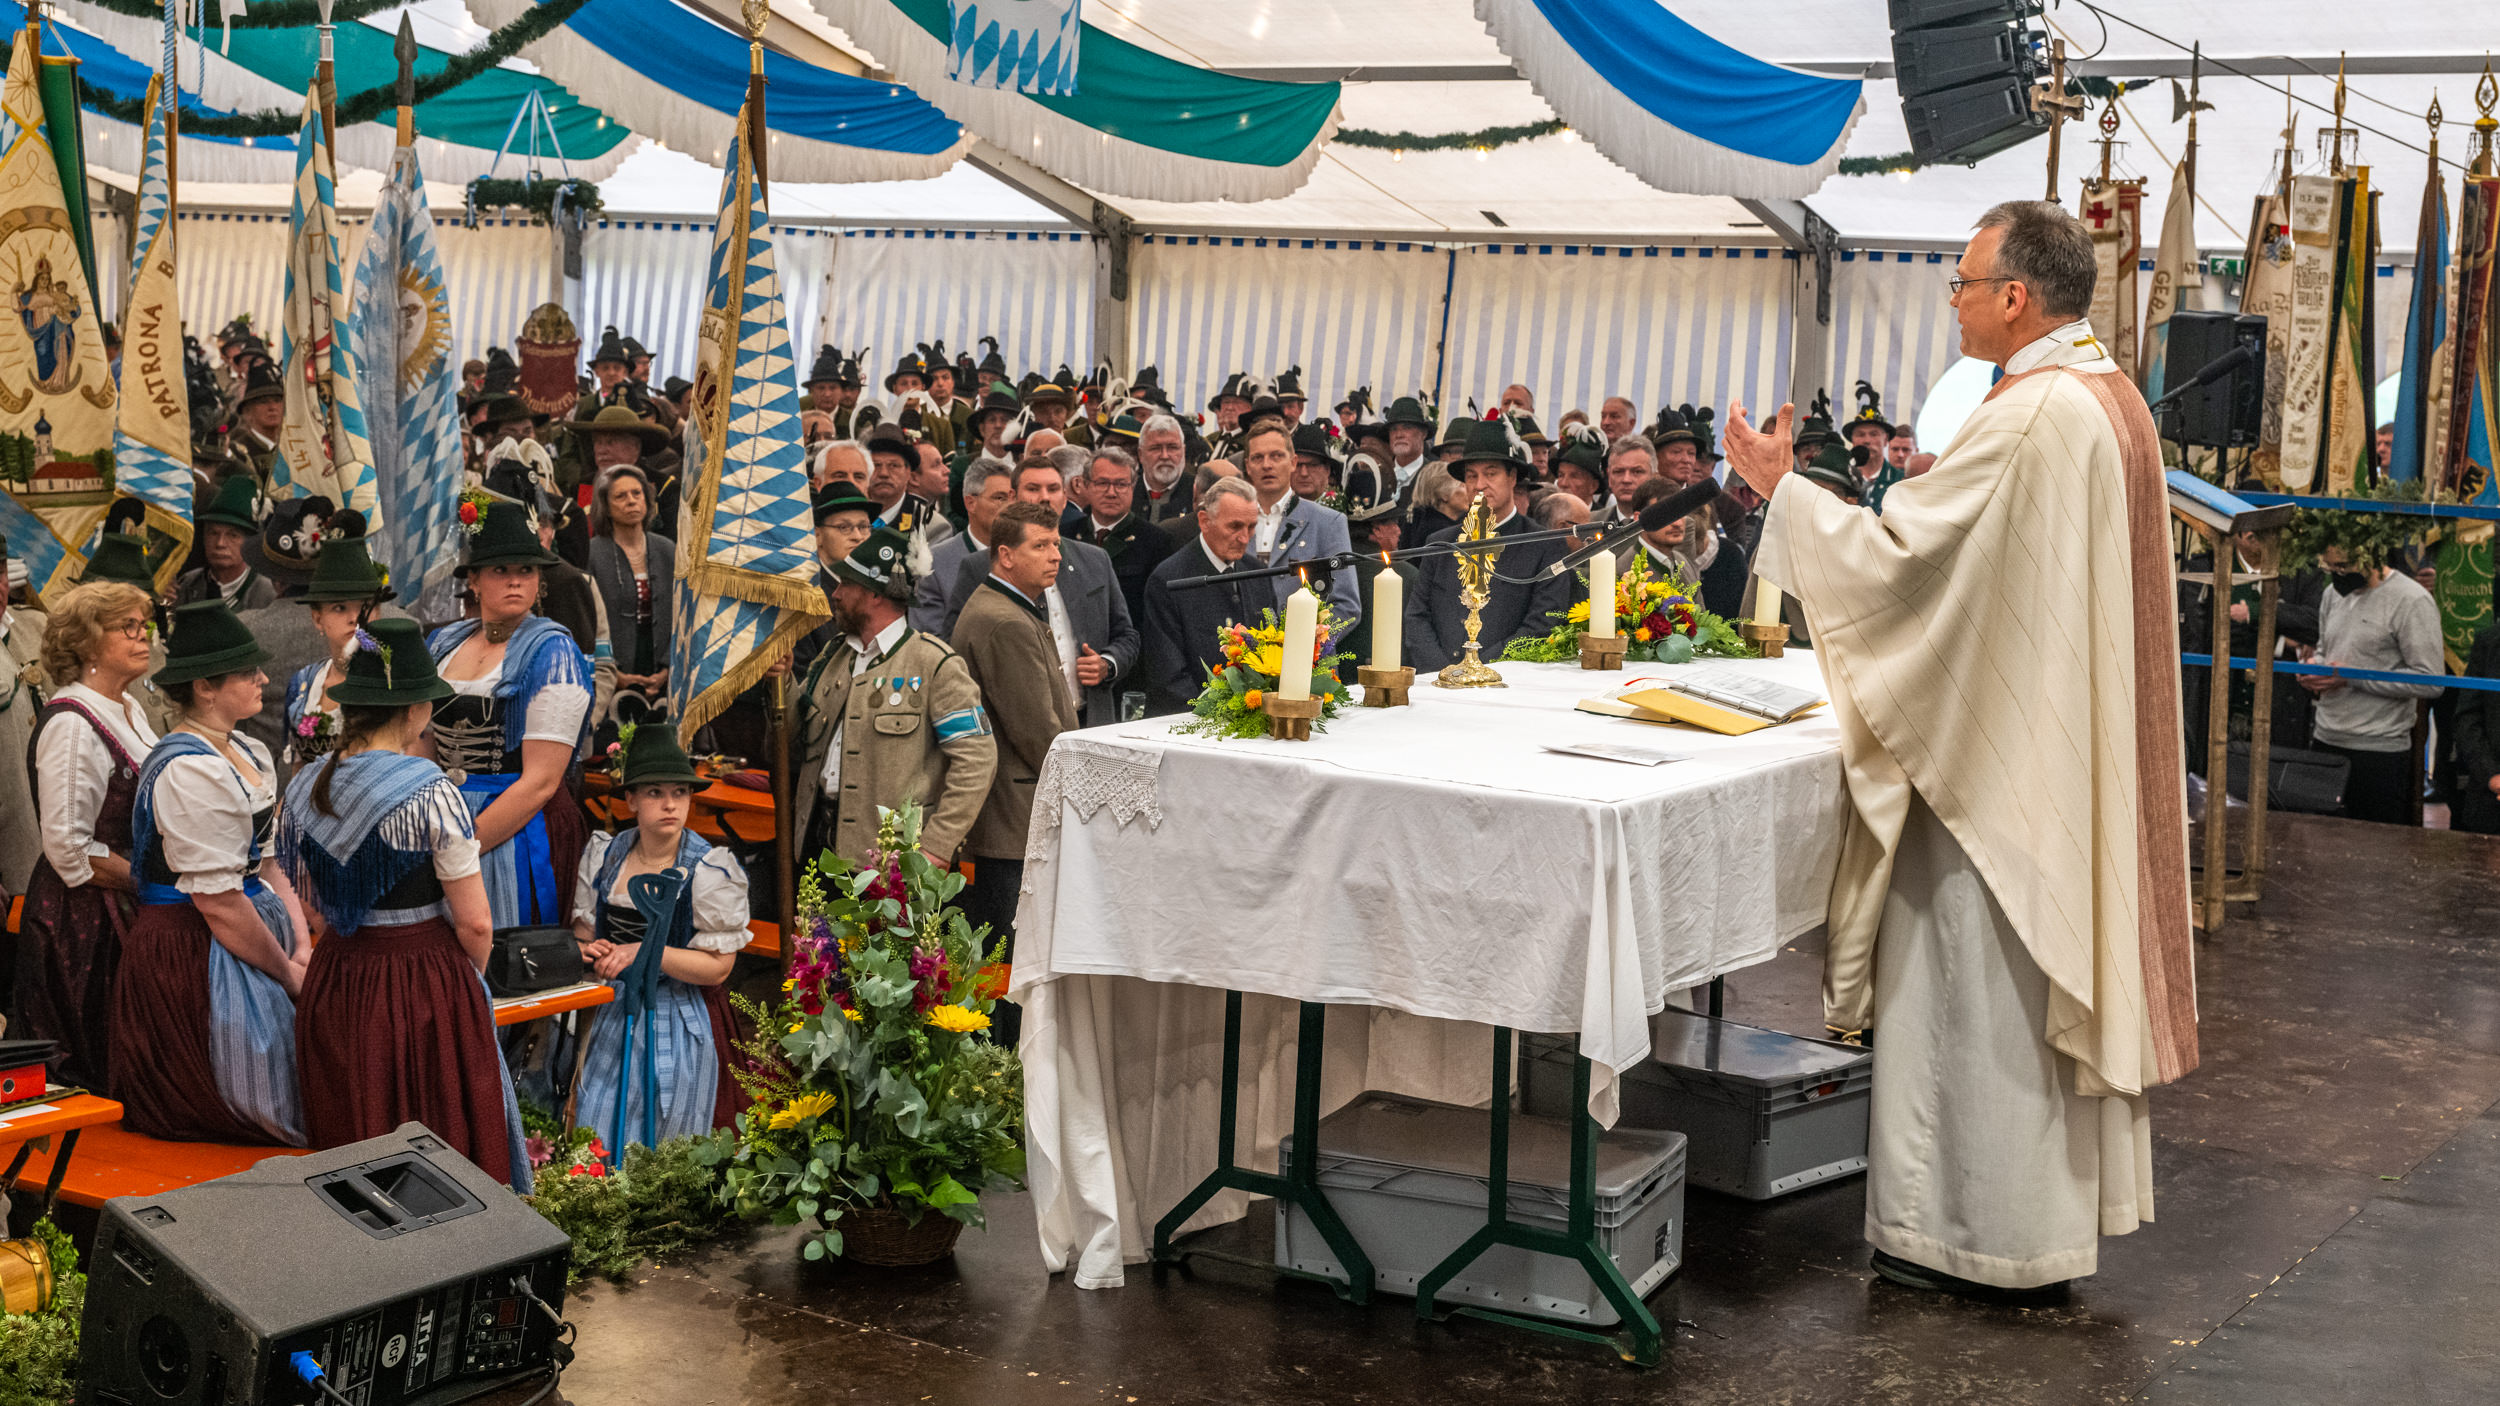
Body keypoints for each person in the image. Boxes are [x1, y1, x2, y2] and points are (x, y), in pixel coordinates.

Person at [1728, 199, 2195, 1296]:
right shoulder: (2107, 395)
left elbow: (1903, 564)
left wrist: (1781, 492)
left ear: (2015, 297)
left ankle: (1972, 1239)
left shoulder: (2032, 412)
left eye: (1963, 284)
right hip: (2050, 733)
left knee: (1971, 996)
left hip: (1998, 770)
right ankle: (2023, 1229)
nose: (1954, 303)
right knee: (1999, 1003)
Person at [280, 618, 524, 1185]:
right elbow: (476, 924)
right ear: (415, 710)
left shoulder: (305, 783)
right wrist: (461, 987)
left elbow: (314, 904)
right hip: (421, 981)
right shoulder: (430, 790)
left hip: (337, 975)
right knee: (432, 1139)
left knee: (351, 1129)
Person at [115, 601, 308, 1144]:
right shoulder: (189, 770)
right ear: (204, 687)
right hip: (194, 949)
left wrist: (301, 945)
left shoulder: (247, 749)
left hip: (252, 931)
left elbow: (269, 862)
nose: (263, 679)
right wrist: (286, 973)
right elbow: (218, 902)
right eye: (247, 672)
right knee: (252, 1101)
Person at [570, 722, 754, 1151]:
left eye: (680, 792)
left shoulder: (708, 868)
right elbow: (583, 935)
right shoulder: (606, 854)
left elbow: (718, 969)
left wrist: (646, 952)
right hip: (610, 1010)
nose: (670, 804)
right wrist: (591, 951)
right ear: (632, 799)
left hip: (678, 1011)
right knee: (596, 1125)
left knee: (668, 1133)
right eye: (655, 792)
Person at [428, 501, 594, 929]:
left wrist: (461, 848)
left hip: (516, 827)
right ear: (474, 580)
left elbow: (540, 782)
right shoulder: (444, 644)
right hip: (441, 817)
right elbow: (420, 743)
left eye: (527, 569)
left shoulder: (553, 652)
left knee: (503, 947)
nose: (516, 579)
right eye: (501, 570)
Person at [951, 503, 1080, 1043]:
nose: (1055, 555)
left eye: (1056, 544)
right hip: (1013, 815)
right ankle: (1007, 1060)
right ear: (1005, 555)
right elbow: (1037, 731)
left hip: (1015, 810)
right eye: (1040, 546)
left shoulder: (1011, 608)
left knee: (1008, 952)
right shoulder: (1002, 620)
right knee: (1009, 957)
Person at [23, 581, 160, 1091]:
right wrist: (149, 883)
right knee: (93, 1064)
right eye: (127, 626)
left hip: (126, 901)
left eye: (144, 624)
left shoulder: (127, 707)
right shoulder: (73, 724)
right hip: (84, 924)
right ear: (86, 643)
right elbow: (69, 848)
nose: (142, 635)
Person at [793, 527, 996, 869]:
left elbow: (977, 760)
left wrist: (937, 846)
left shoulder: (935, 665)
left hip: (893, 865)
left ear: (874, 595)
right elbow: (790, 737)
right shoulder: (831, 657)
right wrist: (781, 679)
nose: (836, 594)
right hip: (818, 850)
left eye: (846, 585)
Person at [940, 460, 1141, 725]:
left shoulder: (1095, 560)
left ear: (1065, 497)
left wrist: (1108, 663)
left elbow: (1127, 635)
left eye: (1053, 488)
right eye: (1033, 488)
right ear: (1013, 497)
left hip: (1091, 720)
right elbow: (955, 650)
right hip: (1017, 728)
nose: (1045, 497)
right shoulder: (980, 566)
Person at [1405, 420, 1574, 672]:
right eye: (1471, 475)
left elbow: (1541, 625)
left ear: (1512, 477)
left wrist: (1478, 671)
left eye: (1491, 473)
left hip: (1507, 681)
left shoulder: (1544, 545)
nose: (1479, 484)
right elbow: (1417, 617)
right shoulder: (1439, 544)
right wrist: (1443, 671)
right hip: (1437, 681)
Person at [2303, 541, 2445, 824]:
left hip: (2379, 750)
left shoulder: (2411, 600)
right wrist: (2313, 669)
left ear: (2369, 554)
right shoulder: (2333, 594)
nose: (2338, 575)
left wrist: (2354, 677)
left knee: (2374, 843)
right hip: (2326, 739)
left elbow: (2430, 681)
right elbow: (2325, 649)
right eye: (2330, 567)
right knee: (2320, 841)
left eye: (2343, 566)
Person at [1141, 478, 1267, 716]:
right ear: (1204, 521)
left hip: (1252, 714)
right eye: (1235, 526)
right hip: (1189, 719)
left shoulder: (1258, 573)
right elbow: (1168, 675)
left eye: (1251, 527)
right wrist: (1218, 714)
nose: (1244, 538)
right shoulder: (1168, 579)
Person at [281, 529, 395, 777]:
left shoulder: (395, 680)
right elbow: (297, 772)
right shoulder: (304, 683)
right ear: (317, 618)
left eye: (365, 606)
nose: (355, 618)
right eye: (340, 608)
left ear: (378, 612)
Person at [588, 465, 673, 703]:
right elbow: (586, 622)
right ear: (606, 506)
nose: (631, 501)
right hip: (610, 674)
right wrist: (614, 674)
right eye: (620, 496)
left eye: (637, 493)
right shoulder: (592, 554)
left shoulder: (667, 550)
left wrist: (668, 668)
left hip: (664, 672)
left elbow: (684, 614)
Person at [1064, 447, 1164, 630]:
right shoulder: (1065, 535)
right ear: (1086, 485)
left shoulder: (1156, 542)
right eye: (1102, 483)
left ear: (1133, 487)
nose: (1111, 492)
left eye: (1121, 484)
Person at [176, 478, 278, 610]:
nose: (220, 543)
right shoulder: (189, 584)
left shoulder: (267, 593)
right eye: (213, 533)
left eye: (233, 535)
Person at [1136, 413, 1196, 524]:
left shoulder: (1198, 494)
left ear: (1183, 451)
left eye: (1172, 447)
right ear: (1141, 454)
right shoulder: (1126, 492)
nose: (1164, 456)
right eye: (1155, 448)